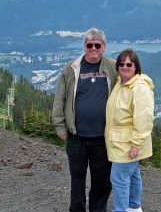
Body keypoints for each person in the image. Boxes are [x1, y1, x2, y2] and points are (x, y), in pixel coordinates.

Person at [53, 28, 118, 212]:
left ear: (104, 47)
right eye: (90, 45)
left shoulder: (112, 68)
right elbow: (60, 99)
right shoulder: (71, 67)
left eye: (98, 45)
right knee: (77, 180)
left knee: (102, 181)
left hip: (103, 138)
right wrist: (60, 127)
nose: (94, 48)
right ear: (84, 46)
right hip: (76, 137)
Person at [105, 49, 154, 212]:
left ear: (136, 66)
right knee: (132, 176)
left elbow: (143, 119)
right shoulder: (121, 84)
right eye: (121, 63)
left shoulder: (139, 88)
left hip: (128, 144)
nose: (124, 67)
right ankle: (134, 207)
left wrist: (136, 144)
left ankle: (120, 210)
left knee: (119, 179)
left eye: (129, 64)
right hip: (121, 141)